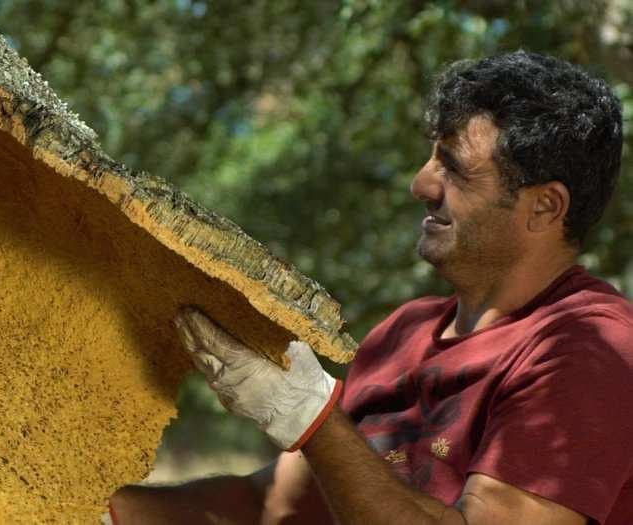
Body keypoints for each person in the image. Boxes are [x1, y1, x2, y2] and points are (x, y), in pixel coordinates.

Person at [109, 51, 633, 524]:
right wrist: (84, 507)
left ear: (544, 207)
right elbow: (267, 507)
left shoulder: (590, 350)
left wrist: (311, 418)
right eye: (432, 159)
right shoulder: (403, 334)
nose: (421, 185)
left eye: (454, 169)